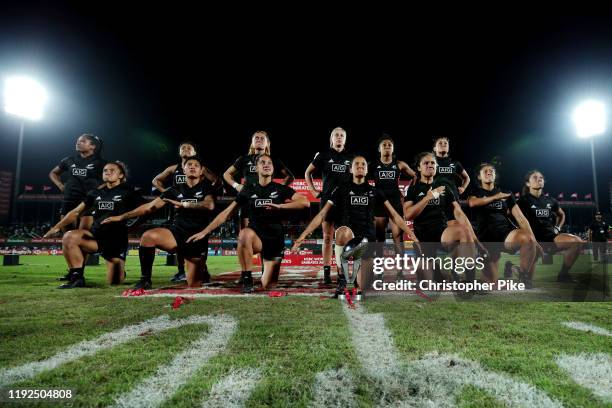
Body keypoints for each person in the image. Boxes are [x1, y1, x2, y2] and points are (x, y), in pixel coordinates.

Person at [293, 156, 418, 296]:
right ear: (350, 169)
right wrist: (303, 235)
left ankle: (358, 279)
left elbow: (395, 216)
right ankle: (342, 278)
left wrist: (411, 234)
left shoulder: (375, 192)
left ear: (366, 170)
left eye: (363, 164)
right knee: (342, 232)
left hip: (367, 241)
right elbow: (322, 214)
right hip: (348, 236)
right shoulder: (341, 189)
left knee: (361, 287)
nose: (360, 166)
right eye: (356, 164)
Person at [188, 154, 309, 293]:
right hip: (256, 236)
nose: (266, 164)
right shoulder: (248, 190)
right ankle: (247, 278)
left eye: (269, 162)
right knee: (244, 234)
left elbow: (304, 202)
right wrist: (205, 231)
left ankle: (268, 269)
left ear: (273, 168)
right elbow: (226, 213)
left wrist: (281, 206)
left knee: (268, 285)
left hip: (275, 239)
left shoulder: (280, 188)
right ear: (256, 168)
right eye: (262, 162)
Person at [102, 156, 215, 289]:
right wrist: (122, 217)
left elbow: (209, 205)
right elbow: (149, 207)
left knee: (194, 284)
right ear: (183, 170)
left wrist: (184, 204)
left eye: (196, 165)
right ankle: (145, 280)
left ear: (201, 171)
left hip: (198, 236)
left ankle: (202, 270)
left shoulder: (207, 188)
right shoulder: (174, 190)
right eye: (189, 164)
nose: (192, 167)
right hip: (177, 233)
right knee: (148, 236)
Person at [44, 161, 144, 289]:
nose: (107, 172)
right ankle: (77, 278)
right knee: (69, 236)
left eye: (112, 170)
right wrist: (56, 227)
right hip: (95, 238)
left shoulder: (130, 191)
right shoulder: (95, 193)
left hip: (116, 242)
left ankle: (118, 268)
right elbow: (76, 212)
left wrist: (132, 225)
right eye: (105, 170)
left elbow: (147, 210)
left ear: (120, 175)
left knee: (115, 281)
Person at [404, 152, 478, 282]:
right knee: (430, 281)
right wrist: (428, 197)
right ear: (419, 168)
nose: (430, 165)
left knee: (463, 231)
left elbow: (458, 212)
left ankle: (470, 282)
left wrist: (474, 237)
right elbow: (408, 215)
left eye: (432, 163)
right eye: (426, 163)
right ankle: (436, 269)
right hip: (423, 238)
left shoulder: (444, 188)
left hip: (442, 233)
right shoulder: (413, 189)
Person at [152, 141, 220, 283]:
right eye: (183, 147)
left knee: (198, 239)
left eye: (189, 148)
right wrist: (167, 193)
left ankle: (202, 268)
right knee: (178, 236)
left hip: (197, 209)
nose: (186, 149)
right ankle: (181, 270)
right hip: (178, 208)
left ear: (194, 153)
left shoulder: (201, 169)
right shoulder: (173, 168)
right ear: (179, 153)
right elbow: (155, 181)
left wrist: (206, 190)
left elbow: (216, 181)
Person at [467, 163, 541, 288]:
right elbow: (472, 203)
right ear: (479, 177)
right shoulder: (475, 192)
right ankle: (512, 269)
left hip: (506, 234)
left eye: (492, 170)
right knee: (490, 284)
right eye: (485, 171)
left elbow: (520, 218)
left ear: (495, 175)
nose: (489, 172)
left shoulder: (506, 193)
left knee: (527, 239)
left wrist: (534, 240)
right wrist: (496, 197)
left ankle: (523, 276)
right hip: (486, 239)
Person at [304, 127, 354, 284]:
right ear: (332, 139)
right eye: (336, 135)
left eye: (342, 136)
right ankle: (326, 272)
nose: (339, 138)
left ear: (345, 139)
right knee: (327, 237)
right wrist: (312, 190)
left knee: (343, 238)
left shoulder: (351, 157)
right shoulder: (323, 155)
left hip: (345, 202)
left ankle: (341, 271)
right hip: (327, 201)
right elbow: (308, 173)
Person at [517, 170, 584, 283]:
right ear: (528, 183)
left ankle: (563, 275)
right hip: (533, 241)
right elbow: (513, 217)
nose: (539, 179)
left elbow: (561, 214)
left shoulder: (550, 200)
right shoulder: (523, 201)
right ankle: (515, 269)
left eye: (541, 178)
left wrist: (557, 228)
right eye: (535, 177)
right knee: (527, 281)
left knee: (577, 241)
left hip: (550, 238)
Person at [223, 131, 294, 229]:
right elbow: (226, 174)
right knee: (245, 234)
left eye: (262, 138)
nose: (259, 140)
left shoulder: (273, 159)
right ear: (252, 142)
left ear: (267, 143)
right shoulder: (244, 159)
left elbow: (290, 176)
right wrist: (236, 185)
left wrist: (278, 189)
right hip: (248, 199)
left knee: (268, 230)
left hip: (267, 199)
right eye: (256, 138)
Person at [48, 134, 106, 233]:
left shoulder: (101, 162)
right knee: (66, 234)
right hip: (69, 199)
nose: (78, 143)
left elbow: (109, 181)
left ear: (92, 146)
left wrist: (97, 191)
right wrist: (60, 185)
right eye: (78, 141)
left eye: (83, 141)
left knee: (84, 233)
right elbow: (53, 173)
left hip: (88, 201)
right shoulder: (68, 160)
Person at [371, 134, 416, 253]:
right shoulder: (373, 165)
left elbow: (415, 176)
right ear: (379, 149)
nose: (387, 146)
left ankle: (400, 270)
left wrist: (407, 192)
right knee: (380, 237)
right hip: (379, 202)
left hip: (395, 201)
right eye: (384, 145)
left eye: (390, 145)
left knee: (398, 236)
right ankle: (379, 269)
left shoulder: (400, 164)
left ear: (393, 148)